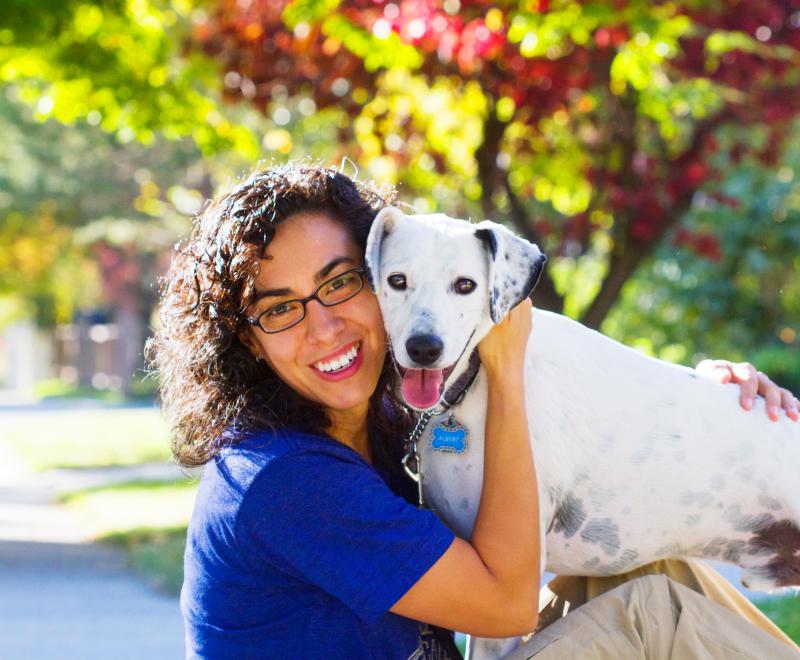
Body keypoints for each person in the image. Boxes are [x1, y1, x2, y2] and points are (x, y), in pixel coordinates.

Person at [147, 163, 800, 659]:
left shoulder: (387, 427)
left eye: (340, 282)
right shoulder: (285, 480)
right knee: (655, 612)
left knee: (650, 572)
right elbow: (507, 605)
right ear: (245, 340)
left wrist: (713, 403)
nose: (324, 327)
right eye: (280, 307)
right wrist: (506, 371)